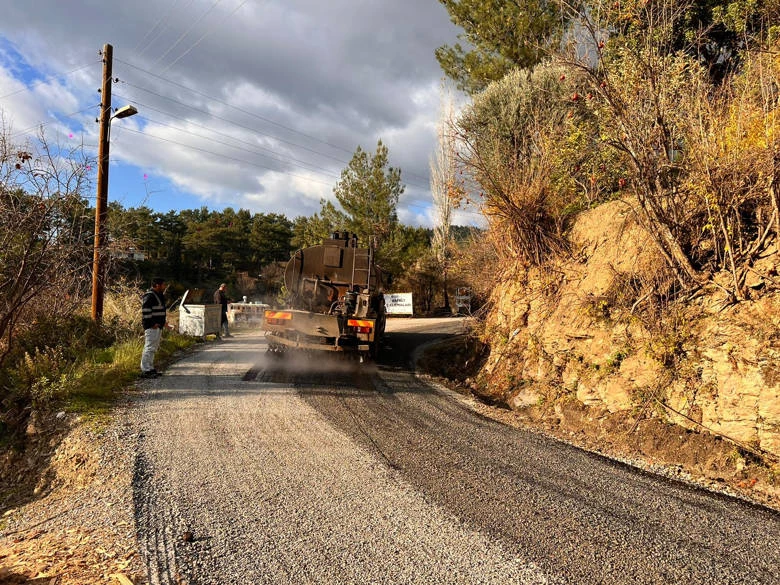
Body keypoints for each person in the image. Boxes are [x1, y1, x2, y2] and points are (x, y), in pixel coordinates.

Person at [141, 277, 170, 378]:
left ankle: (150, 368)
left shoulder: (159, 295)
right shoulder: (149, 295)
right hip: (152, 327)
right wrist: (152, 324)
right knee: (149, 347)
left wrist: (163, 323)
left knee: (153, 348)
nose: (164, 286)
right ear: (157, 285)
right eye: (163, 285)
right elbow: (146, 311)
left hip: (158, 326)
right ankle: (145, 370)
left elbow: (160, 311)